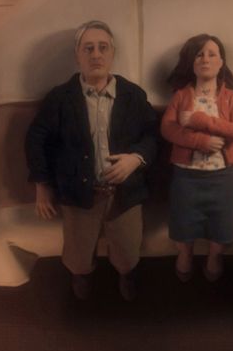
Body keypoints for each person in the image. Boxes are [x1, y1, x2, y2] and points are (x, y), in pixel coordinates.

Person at [25, 20, 158, 301]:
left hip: (125, 195)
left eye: (103, 47)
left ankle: (126, 273)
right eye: (88, 48)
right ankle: (81, 274)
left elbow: (153, 134)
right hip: (78, 194)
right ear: (77, 55)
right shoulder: (60, 98)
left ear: (112, 53)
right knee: (77, 256)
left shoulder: (133, 95)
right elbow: (36, 139)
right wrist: (42, 185)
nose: (96, 54)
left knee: (128, 253)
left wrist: (136, 158)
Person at [160, 34, 233, 283]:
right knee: (183, 222)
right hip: (186, 177)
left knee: (221, 224)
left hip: (222, 177)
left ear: (221, 62)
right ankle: (185, 254)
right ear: (191, 62)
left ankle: (214, 256)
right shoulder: (181, 96)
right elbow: (168, 129)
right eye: (199, 54)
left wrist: (201, 120)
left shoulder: (231, 98)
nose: (205, 59)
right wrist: (201, 142)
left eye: (212, 54)